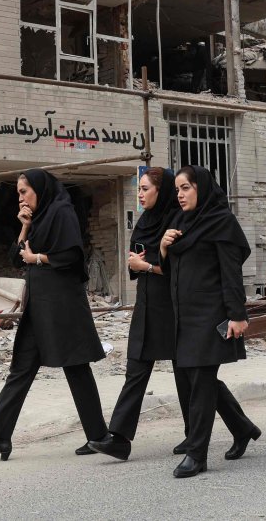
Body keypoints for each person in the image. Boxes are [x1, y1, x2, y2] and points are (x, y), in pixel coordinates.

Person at [0, 169, 108, 461]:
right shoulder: (39, 218)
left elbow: (71, 256)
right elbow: (14, 259)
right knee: (21, 367)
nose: (20, 198)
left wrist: (38, 258)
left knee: (76, 366)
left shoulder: (61, 212)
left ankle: (99, 436)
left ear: (40, 190)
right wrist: (24, 228)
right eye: (18, 193)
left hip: (62, 306)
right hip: (38, 306)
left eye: (24, 191)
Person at [160, 165, 261, 479]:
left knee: (201, 383)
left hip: (211, 314)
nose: (180, 194)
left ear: (201, 188)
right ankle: (242, 429)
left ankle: (197, 454)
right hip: (184, 315)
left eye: (186, 187)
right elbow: (170, 270)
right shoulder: (179, 223)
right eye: (177, 188)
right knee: (196, 380)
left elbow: (231, 274)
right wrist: (164, 248)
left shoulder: (221, 223)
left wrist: (237, 315)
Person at [87, 167, 181, 461]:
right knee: (136, 369)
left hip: (175, 308)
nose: (139, 194)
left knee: (192, 375)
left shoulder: (177, 221)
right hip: (147, 305)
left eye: (145, 189)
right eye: (138, 189)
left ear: (160, 191)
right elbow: (133, 265)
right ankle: (120, 438)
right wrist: (137, 264)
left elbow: (182, 269)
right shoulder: (144, 222)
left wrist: (149, 266)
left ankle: (219, 430)